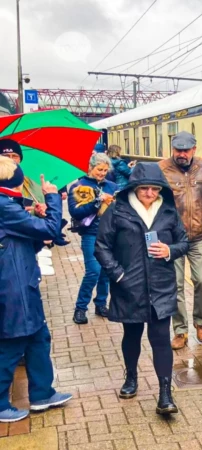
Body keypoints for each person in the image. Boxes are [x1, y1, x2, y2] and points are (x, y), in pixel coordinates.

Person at [95, 163, 188, 414]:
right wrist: (118, 275)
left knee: (160, 339)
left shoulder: (168, 211)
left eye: (154, 189)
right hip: (129, 286)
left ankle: (165, 394)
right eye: (144, 188)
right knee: (132, 335)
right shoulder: (117, 211)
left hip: (161, 285)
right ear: (133, 188)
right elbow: (101, 246)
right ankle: (131, 377)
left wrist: (170, 251)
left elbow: (183, 241)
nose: (149, 193)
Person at [0, 158, 73, 422]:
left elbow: (29, 239)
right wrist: (53, 199)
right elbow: (51, 230)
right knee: (11, 345)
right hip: (12, 287)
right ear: (15, 183)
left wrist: (34, 215)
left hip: (22, 281)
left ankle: (43, 393)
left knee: (38, 339)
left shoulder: (9, 206)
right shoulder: (4, 206)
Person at [158, 131, 202, 349]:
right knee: (175, 285)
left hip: (199, 235)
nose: (182, 154)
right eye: (178, 150)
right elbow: (151, 197)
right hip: (172, 239)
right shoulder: (161, 169)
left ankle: (201, 322)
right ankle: (180, 330)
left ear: (194, 149)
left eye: (186, 150)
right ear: (172, 149)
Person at [68, 153, 117, 324]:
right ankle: (80, 308)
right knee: (93, 271)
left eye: (105, 170)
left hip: (110, 235)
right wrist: (98, 200)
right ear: (90, 167)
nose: (102, 173)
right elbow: (76, 212)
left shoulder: (112, 186)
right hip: (91, 234)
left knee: (105, 272)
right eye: (99, 169)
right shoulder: (79, 186)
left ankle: (101, 304)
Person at [0, 139, 46, 217]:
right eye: (6, 156)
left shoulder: (30, 184)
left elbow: (40, 207)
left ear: (20, 160)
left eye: (15, 156)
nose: (11, 160)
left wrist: (37, 212)